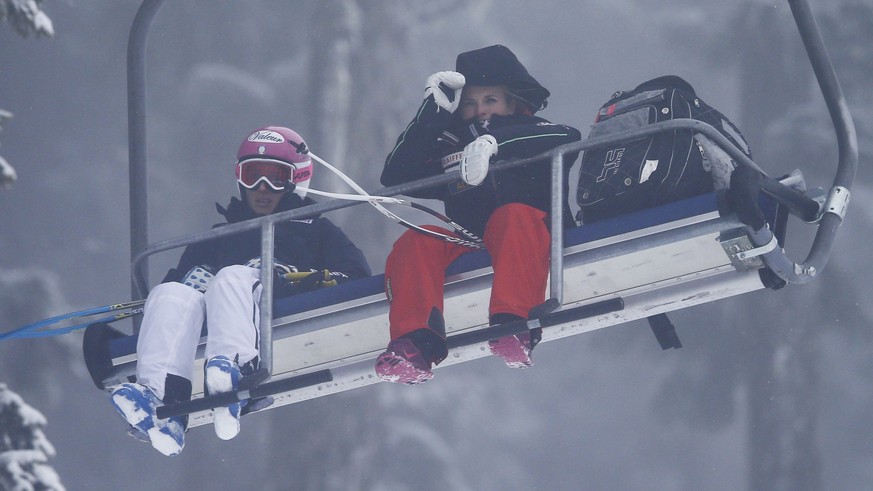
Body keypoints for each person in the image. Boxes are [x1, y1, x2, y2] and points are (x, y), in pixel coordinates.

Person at [110, 126, 371, 456]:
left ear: (296, 179)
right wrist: (196, 280)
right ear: (239, 177)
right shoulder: (220, 236)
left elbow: (356, 275)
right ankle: (162, 403)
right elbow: (180, 282)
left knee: (235, 276)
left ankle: (238, 373)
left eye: (275, 177)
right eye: (252, 176)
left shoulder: (314, 228)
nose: (262, 189)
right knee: (168, 294)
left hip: (272, 303)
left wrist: (296, 278)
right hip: (218, 309)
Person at [375, 45, 582, 385]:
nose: (480, 111)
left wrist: (494, 143)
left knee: (511, 215)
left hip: (532, 233)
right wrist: (432, 114)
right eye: (469, 103)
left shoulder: (537, 132)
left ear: (512, 102)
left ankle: (513, 327)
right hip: (474, 240)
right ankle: (415, 344)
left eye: (489, 100)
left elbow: (568, 136)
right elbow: (396, 176)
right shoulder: (452, 148)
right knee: (418, 238)